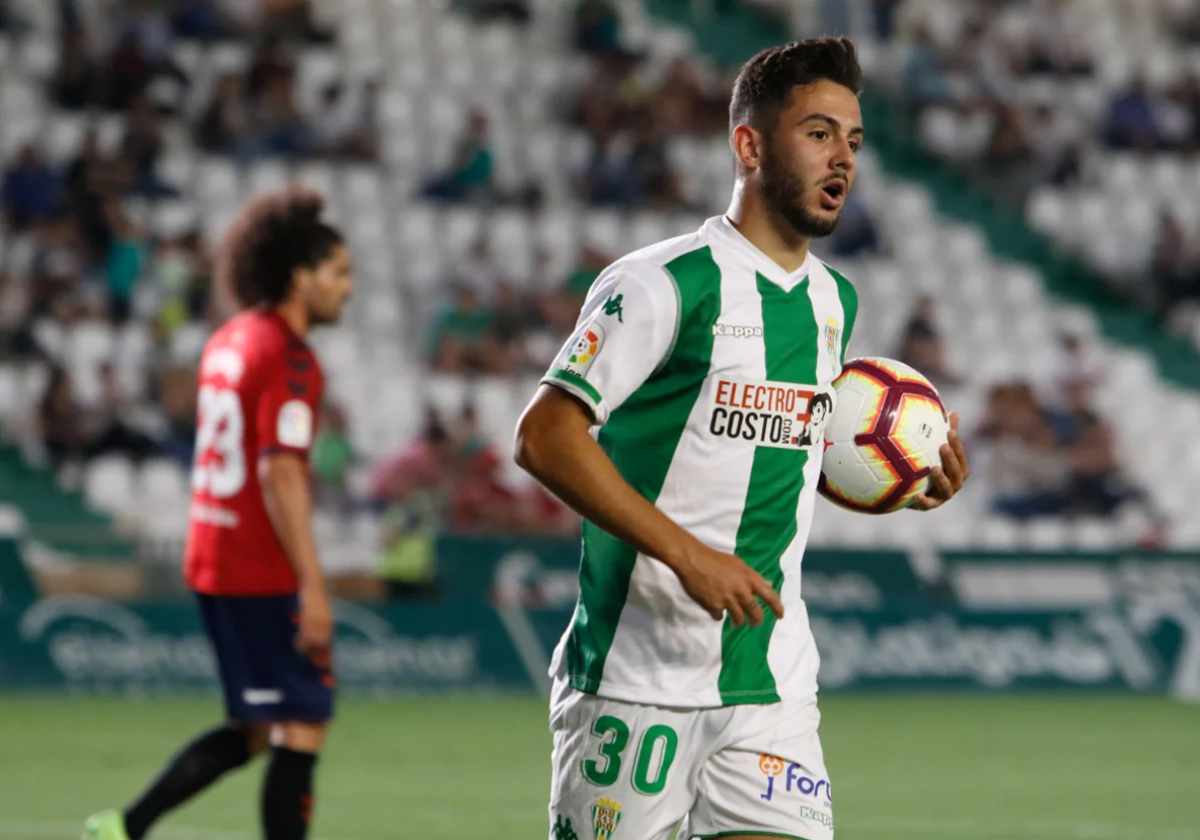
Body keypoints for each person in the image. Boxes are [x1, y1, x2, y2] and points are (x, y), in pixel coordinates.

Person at [514, 38, 970, 840]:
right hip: (635, 678)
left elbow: (783, 454)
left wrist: (894, 484)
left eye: (854, 142)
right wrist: (689, 555)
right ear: (749, 144)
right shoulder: (661, 283)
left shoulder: (835, 303)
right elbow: (545, 437)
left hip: (770, 685)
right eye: (819, 133)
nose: (843, 161)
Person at [84, 188, 354, 840]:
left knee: (256, 730)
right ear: (300, 275)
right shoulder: (289, 358)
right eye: (339, 273)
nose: (347, 289)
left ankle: (124, 826)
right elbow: (280, 470)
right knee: (306, 722)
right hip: (259, 567)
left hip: (212, 554)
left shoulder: (228, 339)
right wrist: (313, 585)